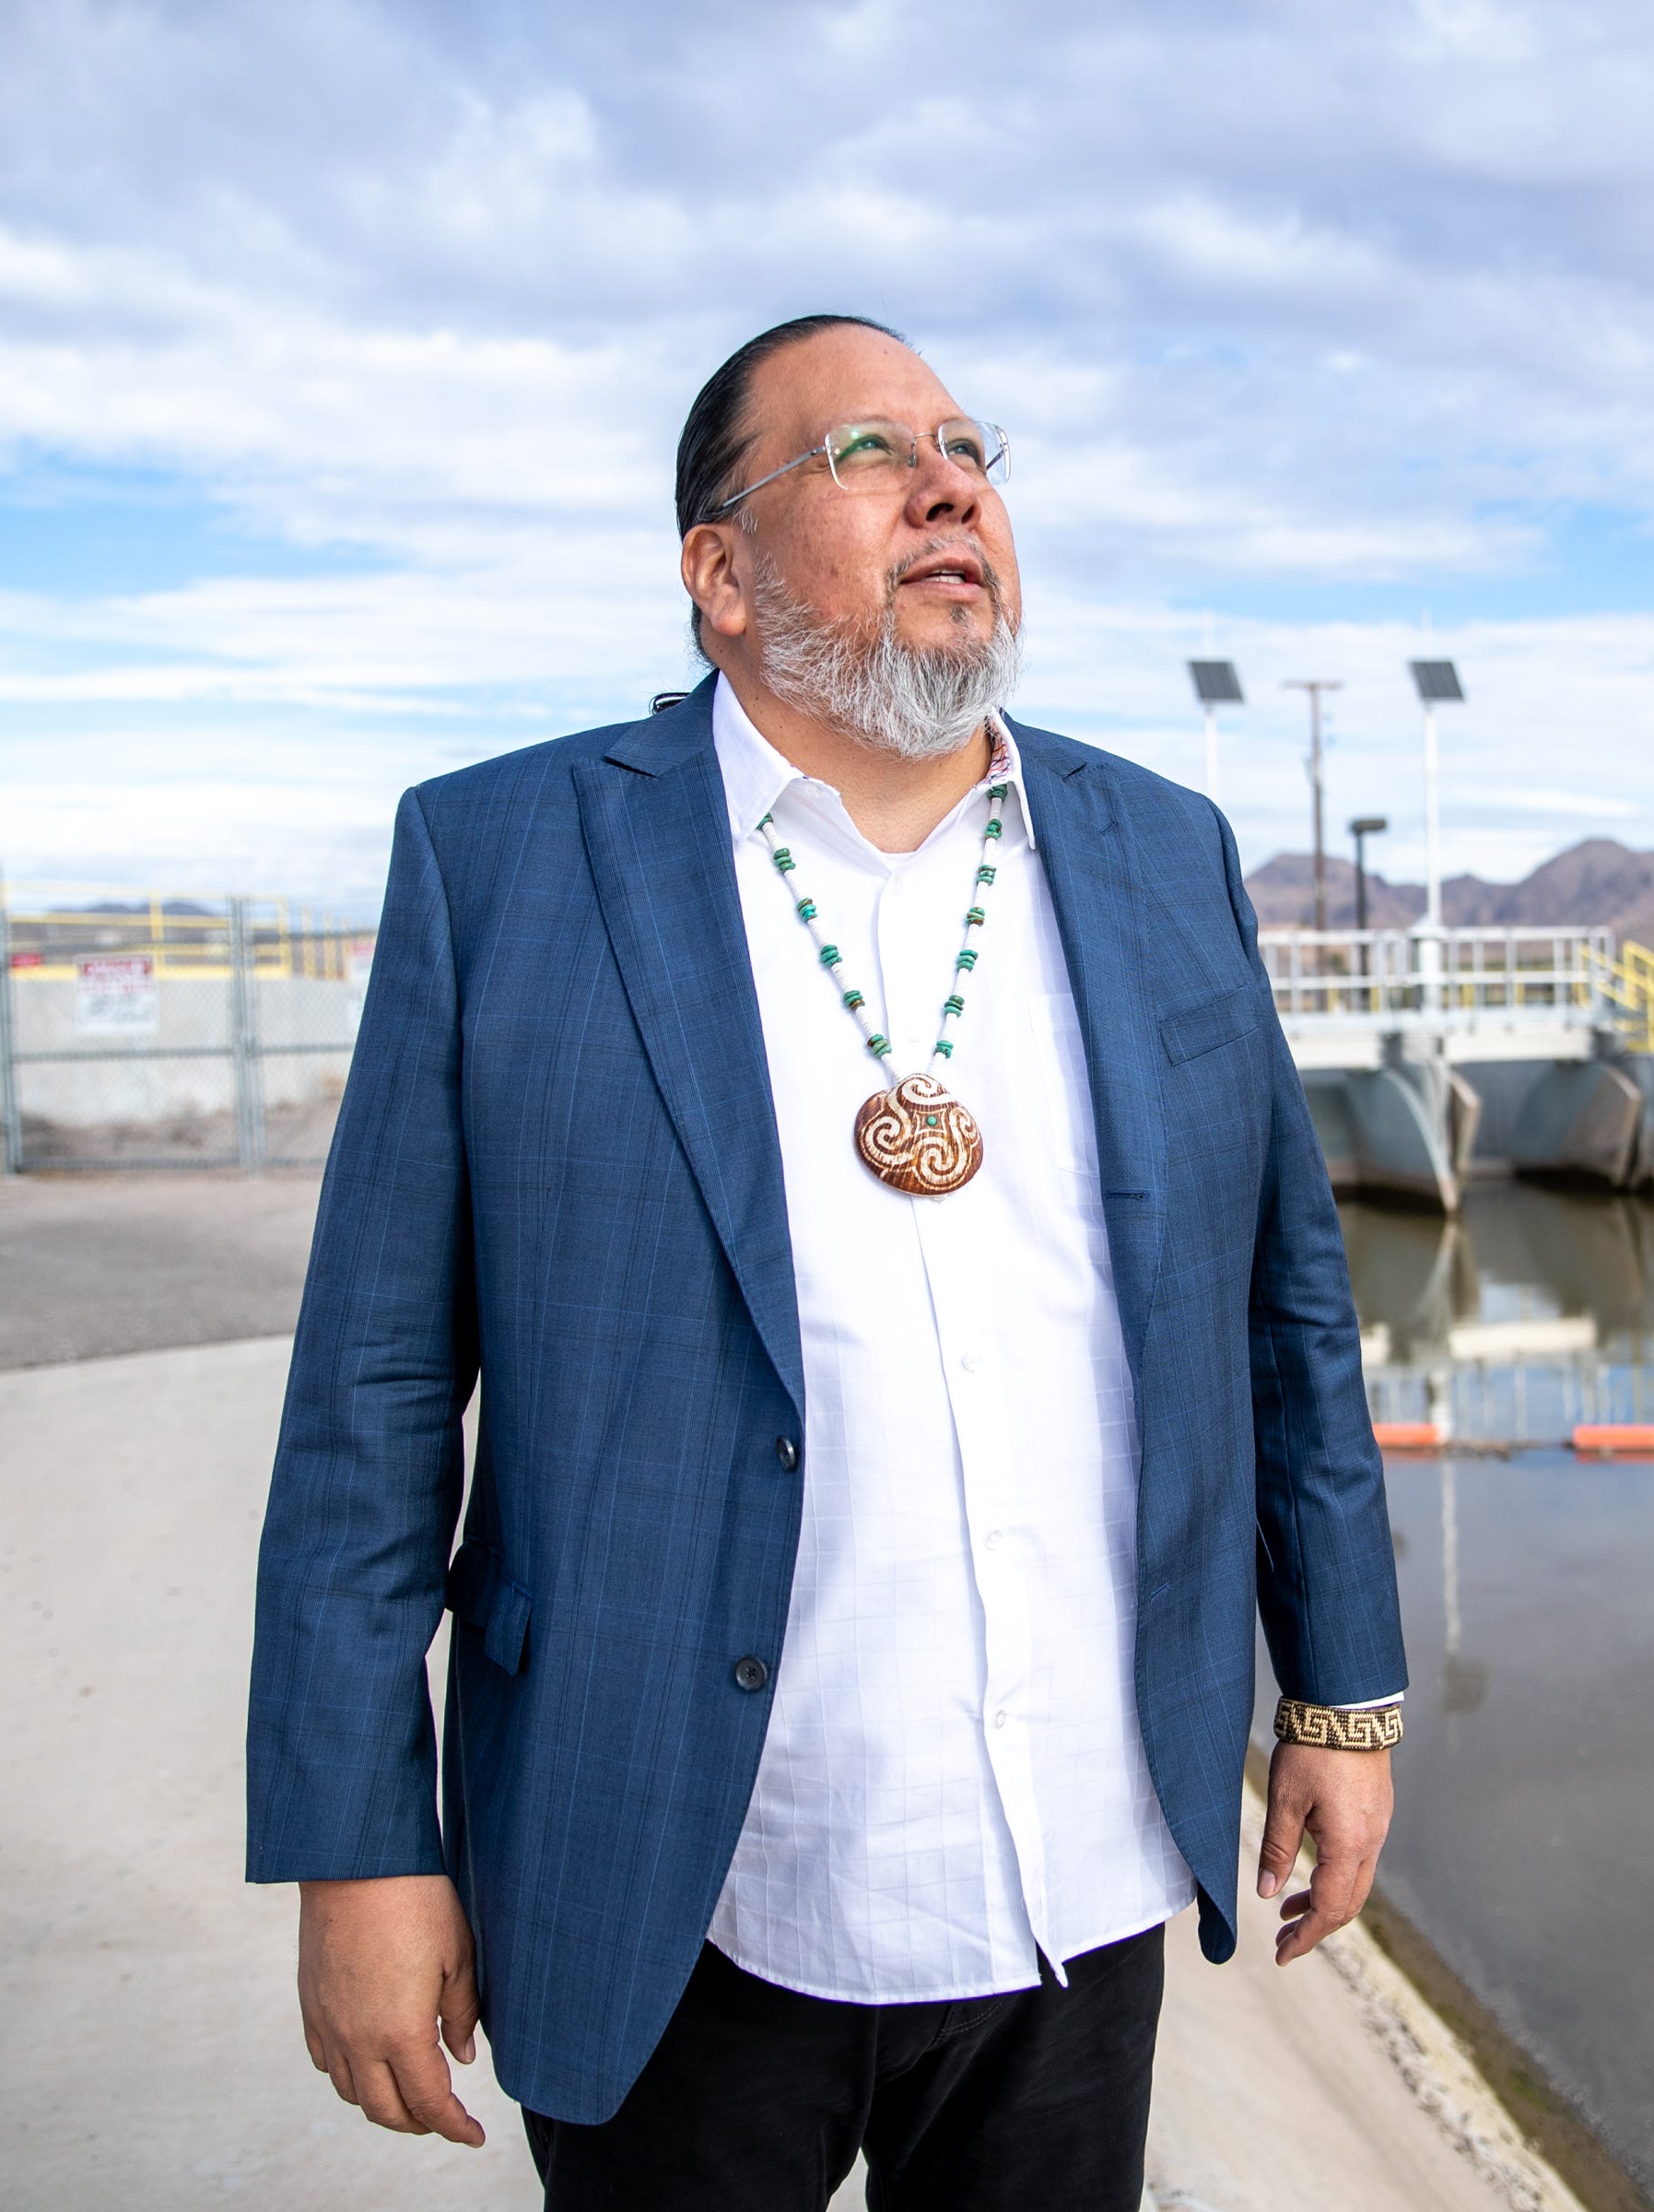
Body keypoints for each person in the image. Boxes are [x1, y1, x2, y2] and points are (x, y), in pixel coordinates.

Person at [247, 312, 1408, 2210]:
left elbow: (1283, 1302)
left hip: (1083, 1870)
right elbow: (373, 1390)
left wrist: (1341, 1702)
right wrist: (359, 1842)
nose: (952, 482)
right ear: (719, 572)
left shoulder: (1161, 851)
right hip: (678, 1871)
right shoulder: (505, 859)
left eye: (968, 448)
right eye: (870, 452)